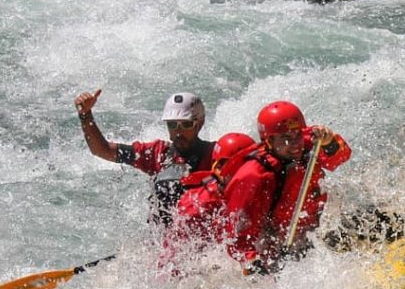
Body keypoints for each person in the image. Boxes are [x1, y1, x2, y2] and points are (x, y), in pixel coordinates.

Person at [222, 101, 351, 273]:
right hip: (279, 245)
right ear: (269, 141)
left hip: (317, 229)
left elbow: (340, 157)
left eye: (297, 134)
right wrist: (253, 262)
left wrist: (329, 142)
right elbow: (238, 236)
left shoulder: (310, 144)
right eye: (286, 138)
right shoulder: (254, 176)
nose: (296, 143)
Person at [74, 88, 214, 226]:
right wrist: (85, 115)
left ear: (200, 124)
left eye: (186, 124)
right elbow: (102, 150)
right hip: (165, 239)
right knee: (166, 181)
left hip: (203, 232)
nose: (178, 131)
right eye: (172, 124)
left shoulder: (215, 154)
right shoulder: (157, 153)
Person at [159, 132, 259, 275]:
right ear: (219, 169)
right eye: (242, 168)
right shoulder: (199, 206)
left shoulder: (253, 187)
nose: (250, 173)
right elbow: (178, 258)